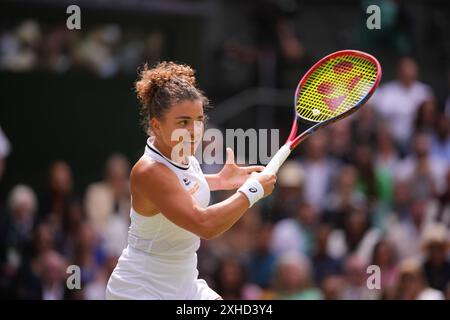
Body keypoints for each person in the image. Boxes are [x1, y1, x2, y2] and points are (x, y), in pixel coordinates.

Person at [105, 61, 276, 300]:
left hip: (184, 285)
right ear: (157, 126)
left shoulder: (181, 154)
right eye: (183, 122)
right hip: (141, 291)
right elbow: (204, 224)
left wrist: (219, 180)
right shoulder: (150, 170)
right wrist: (252, 191)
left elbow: (180, 187)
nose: (194, 130)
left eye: (199, 120)